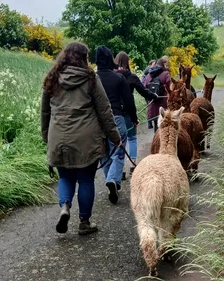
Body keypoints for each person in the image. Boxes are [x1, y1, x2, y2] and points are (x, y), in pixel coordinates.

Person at [41, 42, 121, 235]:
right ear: (84, 58)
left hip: (58, 136)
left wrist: (46, 136)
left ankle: (65, 207)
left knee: (66, 177)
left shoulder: (52, 78)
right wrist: (115, 136)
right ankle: (84, 221)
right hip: (86, 137)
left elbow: (45, 112)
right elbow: (104, 110)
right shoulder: (90, 78)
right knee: (85, 180)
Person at [95, 45, 138, 203]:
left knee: (104, 154)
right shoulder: (118, 78)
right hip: (117, 118)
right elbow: (129, 101)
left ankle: (110, 180)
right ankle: (113, 179)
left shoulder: (92, 78)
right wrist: (133, 118)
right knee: (119, 152)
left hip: (97, 121)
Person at [114, 51, 159, 179]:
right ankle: (133, 164)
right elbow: (144, 91)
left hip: (114, 112)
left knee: (119, 140)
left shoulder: (112, 76)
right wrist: (153, 96)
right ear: (127, 62)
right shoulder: (132, 77)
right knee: (132, 138)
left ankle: (120, 169)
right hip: (128, 112)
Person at [144, 56, 172, 132]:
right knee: (164, 127)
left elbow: (144, 88)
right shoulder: (165, 74)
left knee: (156, 126)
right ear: (163, 65)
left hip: (152, 104)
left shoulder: (149, 75)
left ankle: (156, 141)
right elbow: (171, 88)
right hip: (163, 105)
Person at [141, 60, 157, 129]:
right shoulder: (149, 70)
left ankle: (150, 122)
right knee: (150, 106)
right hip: (148, 90)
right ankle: (150, 122)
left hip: (147, 90)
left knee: (149, 106)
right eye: (154, 64)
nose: (155, 65)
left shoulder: (148, 70)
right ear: (150, 64)